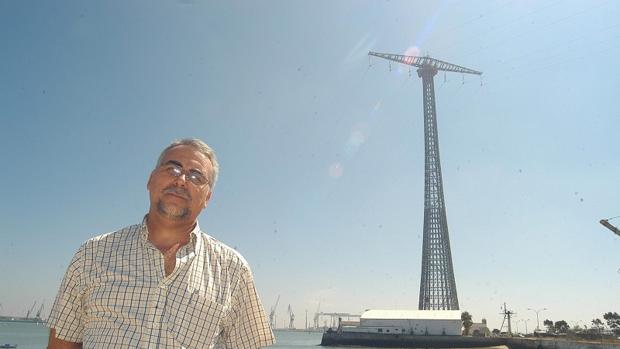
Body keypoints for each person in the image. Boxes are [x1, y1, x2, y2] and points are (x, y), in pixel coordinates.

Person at [47, 138, 275, 349]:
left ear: (207, 198)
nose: (181, 180)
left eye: (196, 176)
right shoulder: (92, 254)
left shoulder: (232, 270)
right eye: (172, 169)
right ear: (150, 180)